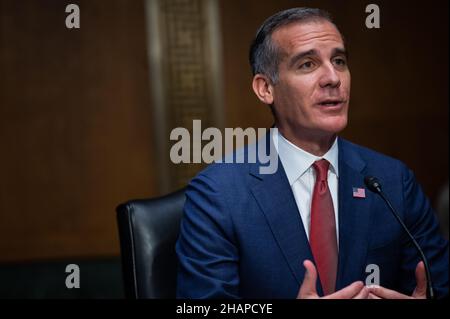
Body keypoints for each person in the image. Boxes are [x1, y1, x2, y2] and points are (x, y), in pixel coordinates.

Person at [175, 7, 449, 299]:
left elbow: (439, 286)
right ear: (266, 88)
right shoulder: (217, 194)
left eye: (339, 61)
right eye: (307, 64)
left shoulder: (393, 181)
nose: (333, 78)